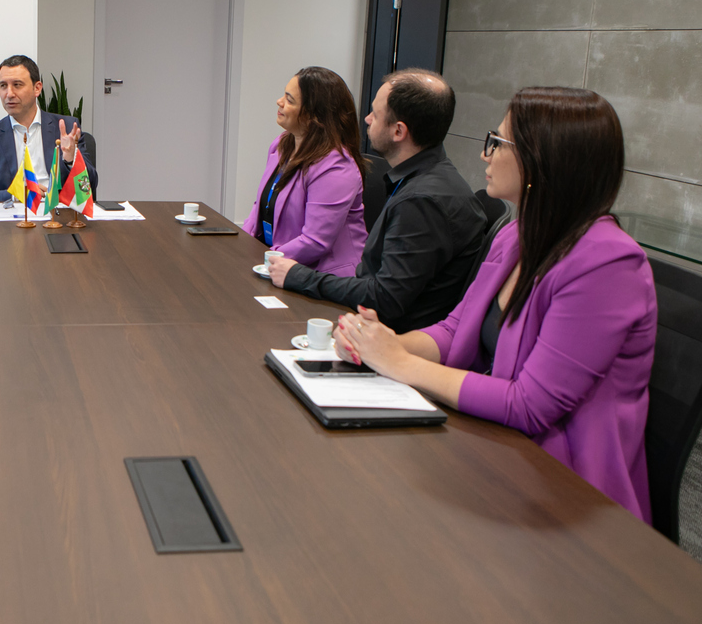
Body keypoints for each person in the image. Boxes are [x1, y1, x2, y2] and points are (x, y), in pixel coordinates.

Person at [334, 87, 656, 522]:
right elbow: (455, 330)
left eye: (497, 143)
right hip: (497, 449)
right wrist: (378, 344)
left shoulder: (608, 264)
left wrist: (400, 363)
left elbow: (529, 405)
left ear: (541, 160)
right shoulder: (515, 234)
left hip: (566, 493)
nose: (485, 154)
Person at [266, 68, 486, 332]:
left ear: (398, 131)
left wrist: (300, 277)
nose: (367, 119)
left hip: (394, 336)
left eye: (375, 114)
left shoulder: (422, 202)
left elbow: (385, 299)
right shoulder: (428, 177)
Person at [241, 66, 367, 276]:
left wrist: (264, 259)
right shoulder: (282, 145)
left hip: (325, 277)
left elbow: (315, 241)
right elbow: (261, 205)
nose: (279, 102)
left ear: (313, 115)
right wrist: (240, 244)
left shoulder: (336, 167)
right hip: (280, 263)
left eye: (289, 100)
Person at [0, 54, 98, 202]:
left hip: (58, 211)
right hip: (14, 212)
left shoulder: (67, 128)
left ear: (37, 88)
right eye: (3, 86)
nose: (9, 94)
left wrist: (72, 160)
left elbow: (90, 185)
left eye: (17, 85)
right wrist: (17, 194)